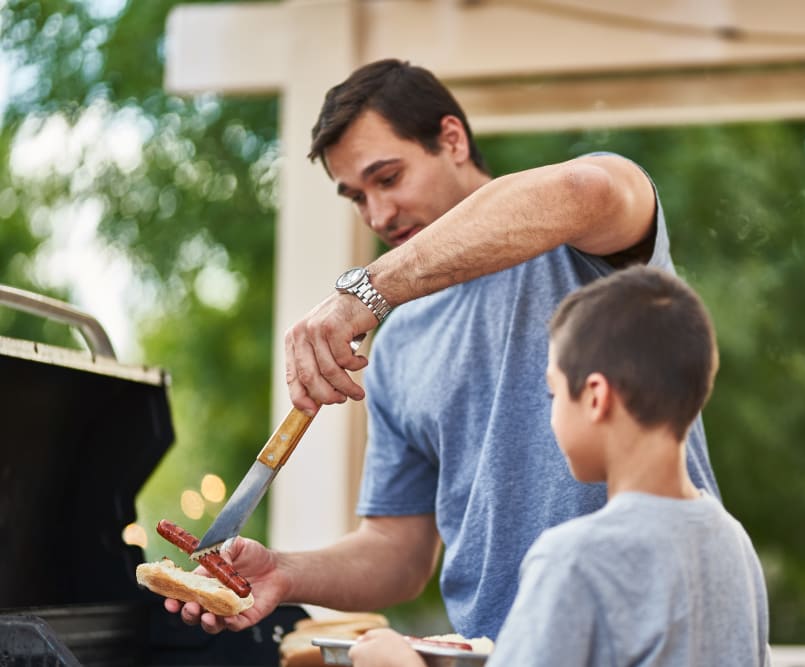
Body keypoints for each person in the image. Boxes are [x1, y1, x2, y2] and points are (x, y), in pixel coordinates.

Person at [166, 58, 720, 639]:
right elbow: (398, 552)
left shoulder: (583, 245)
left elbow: (585, 188)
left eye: (388, 178)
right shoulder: (398, 341)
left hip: (651, 636)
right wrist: (284, 572)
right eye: (356, 197)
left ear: (451, 139)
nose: (377, 214)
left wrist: (368, 290)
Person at [348, 266, 771, 667]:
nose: (551, 415)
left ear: (594, 397)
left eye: (552, 394)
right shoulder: (733, 544)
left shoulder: (574, 559)